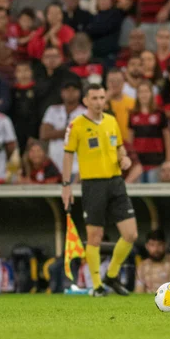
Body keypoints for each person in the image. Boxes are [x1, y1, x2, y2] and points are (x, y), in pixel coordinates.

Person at [62, 83, 138, 297]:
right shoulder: (76, 125)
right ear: (85, 100)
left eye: (101, 98)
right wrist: (66, 185)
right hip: (93, 185)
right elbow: (68, 154)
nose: (98, 102)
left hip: (115, 182)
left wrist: (124, 158)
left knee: (130, 234)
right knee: (95, 236)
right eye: (94, 98)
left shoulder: (111, 121)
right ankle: (97, 286)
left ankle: (111, 275)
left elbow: (120, 147)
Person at [40, 80, 86, 183]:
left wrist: (55, 133)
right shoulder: (53, 110)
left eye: (74, 90)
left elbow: (83, 136)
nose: (70, 93)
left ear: (79, 92)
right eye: (67, 90)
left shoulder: (85, 113)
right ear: (62, 92)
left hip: (76, 168)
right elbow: (44, 134)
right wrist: (70, 131)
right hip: (54, 167)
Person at [128, 82, 170, 183]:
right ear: (137, 95)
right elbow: (130, 139)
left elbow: (167, 137)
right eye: (141, 92)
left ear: (151, 94)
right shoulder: (133, 115)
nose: (144, 94)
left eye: (146, 91)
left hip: (156, 162)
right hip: (138, 164)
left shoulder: (160, 113)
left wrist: (168, 160)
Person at [135, 229, 170, 293]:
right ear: (147, 246)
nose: (156, 249)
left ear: (165, 245)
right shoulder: (142, 266)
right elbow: (139, 292)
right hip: (146, 301)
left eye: (159, 244)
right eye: (152, 245)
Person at [106, 69, 135, 143]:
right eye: (112, 81)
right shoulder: (101, 104)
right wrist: (105, 99)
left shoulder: (132, 103)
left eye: (118, 81)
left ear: (124, 83)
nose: (115, 84)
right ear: (106, 83)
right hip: (108, 145)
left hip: (128, 144)